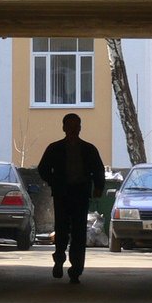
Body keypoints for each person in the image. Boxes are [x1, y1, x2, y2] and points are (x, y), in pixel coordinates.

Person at [37, 113, 105, 284]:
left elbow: (98, 170)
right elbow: (43, 169)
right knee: (61, 229)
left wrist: (98, 187)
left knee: (79, 232)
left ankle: (76, 270)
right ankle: (59, 260)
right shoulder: (54, 148)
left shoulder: (89, 149)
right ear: (64, 128)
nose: (74, 129)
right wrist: (54, 182)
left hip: (80, 194)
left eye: (76, 126)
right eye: (70, 126)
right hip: (62, 194)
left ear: (80, 128)